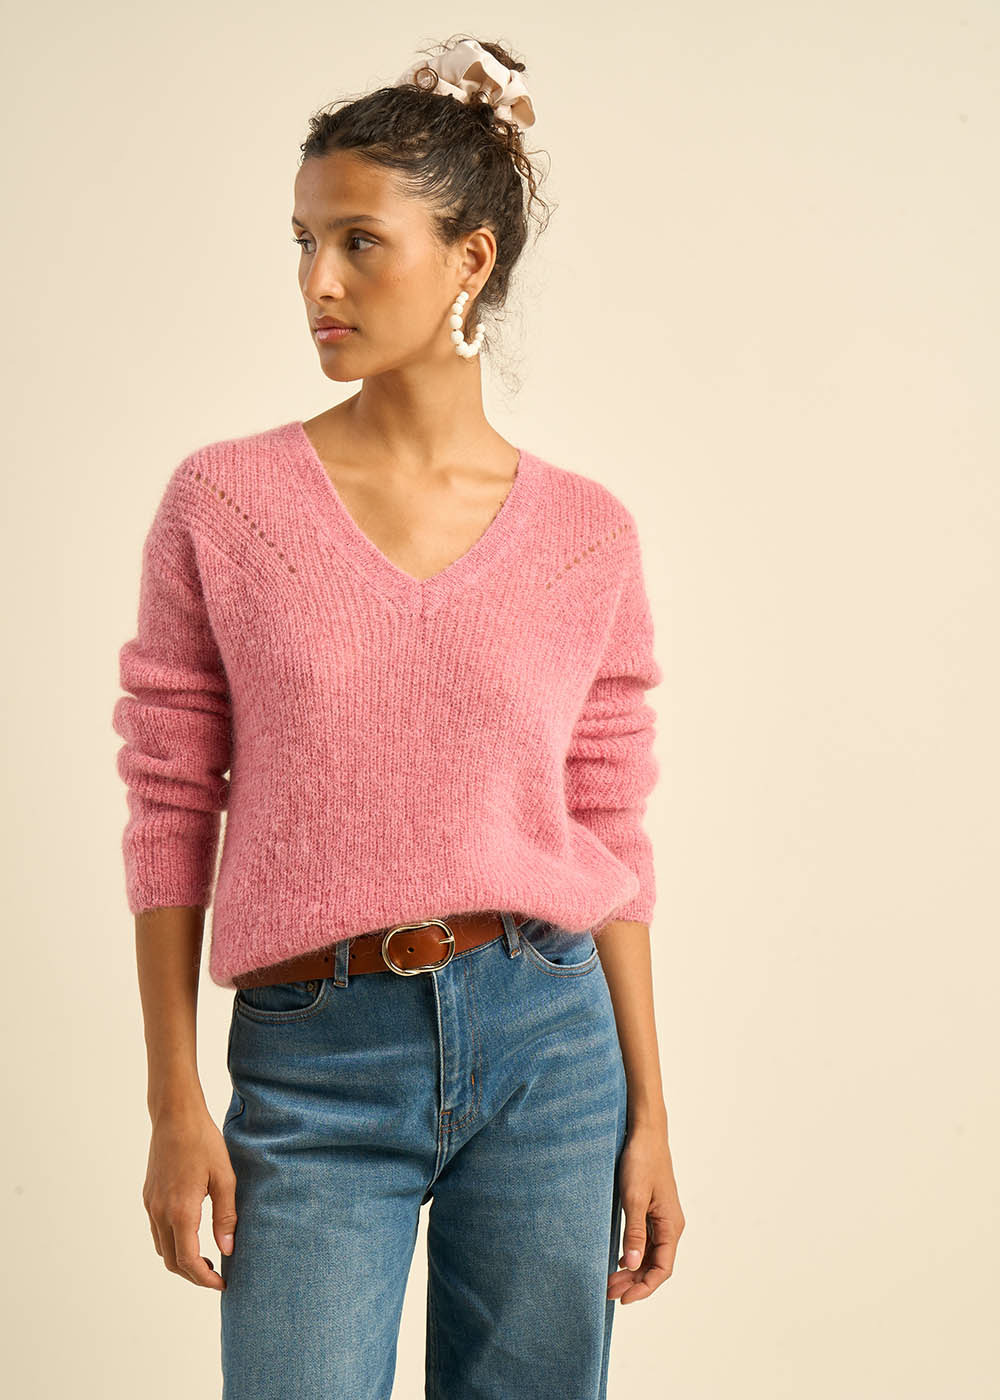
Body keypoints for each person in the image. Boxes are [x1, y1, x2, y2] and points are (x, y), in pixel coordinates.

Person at [112, 34, 685, 1400]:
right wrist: (174, 1098)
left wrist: (652, 1113)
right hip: (312, 1060)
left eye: (360, 243)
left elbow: (609, 828)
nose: (319, 281)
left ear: (470, 259)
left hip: (550, 1049)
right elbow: (170, 801)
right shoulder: (225, 506)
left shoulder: (587, 536)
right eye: (304, 243)